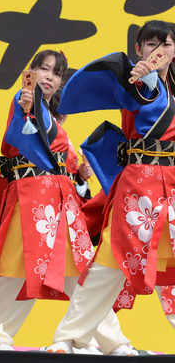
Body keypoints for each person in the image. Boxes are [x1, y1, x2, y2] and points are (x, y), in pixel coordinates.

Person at [0, 50, 131, 355]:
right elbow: (19, 136)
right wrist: (28, 105)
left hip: (61, 200)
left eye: (56, 72)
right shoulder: (24, 100)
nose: (49, 76)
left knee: (81, 275)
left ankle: (111, 342)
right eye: (43, 68)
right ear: (32, 71)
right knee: (9, 272)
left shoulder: (48, 113)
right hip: (33, 197)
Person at [49, 20, 175, 353]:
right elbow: (136, 94)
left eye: (168, 45)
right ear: (138, 49)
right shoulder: (136, 83)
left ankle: (82, 338)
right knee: (110, 262)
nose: (159, 50)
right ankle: (67, 338)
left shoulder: (171, 90)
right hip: (140, 186)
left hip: (172, 186)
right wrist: (143, 77)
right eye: (151, 44)